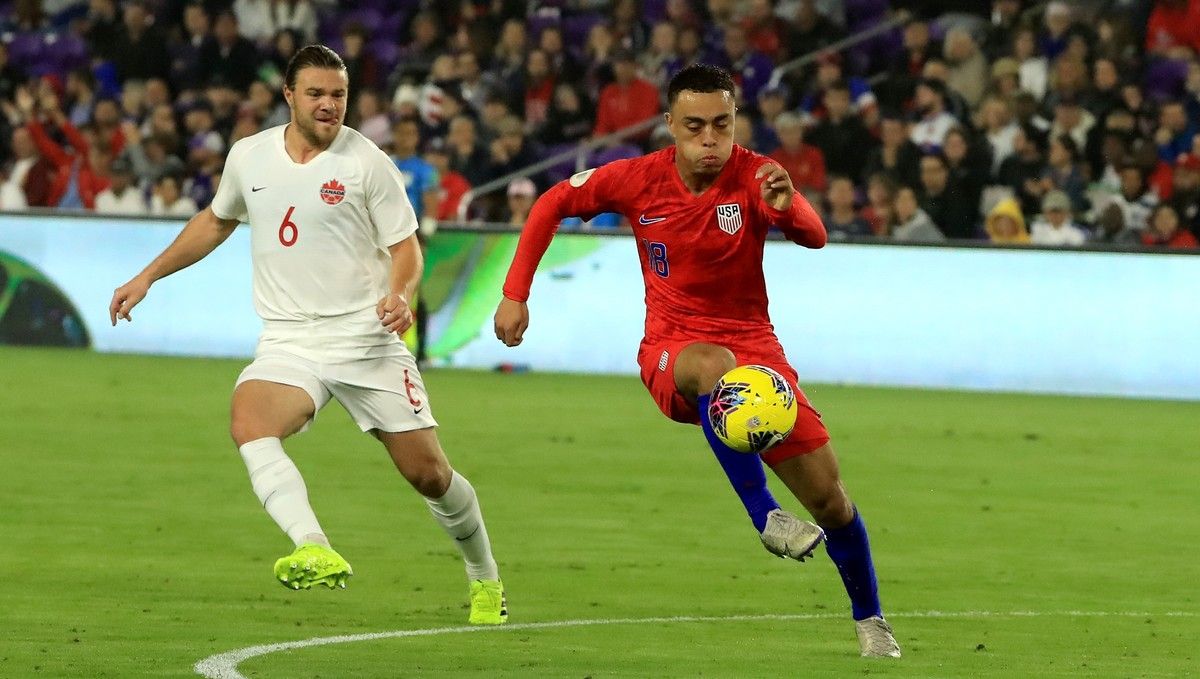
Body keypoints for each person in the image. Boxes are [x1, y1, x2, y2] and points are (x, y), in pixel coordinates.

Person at [492, 64, 900, 658]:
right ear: (670, 127)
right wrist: (515, 292)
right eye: (694, 127)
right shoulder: (637, 179)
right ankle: (766, 518)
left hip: (758, 357)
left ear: (734, 121)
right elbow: (554, 201)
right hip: (673, 350)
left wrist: (787, 208)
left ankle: (872, 623)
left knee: (833, 501)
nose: (710, 139)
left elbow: (815, 236)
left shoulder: (758, 174)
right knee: (712, 364)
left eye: (721, 125)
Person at [108, 45, 506, 625]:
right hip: (290, 336)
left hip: (364, 339)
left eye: (338, 95)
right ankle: (312, 544)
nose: (328, 105)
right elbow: (217, 220)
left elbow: (405, 249)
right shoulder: (249, 157)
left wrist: (399, 295)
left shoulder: (368, 163)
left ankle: (484, 577)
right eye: (316, 94)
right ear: (289, 95)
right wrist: (147, 275)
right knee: (249, 421)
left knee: (430, 475)